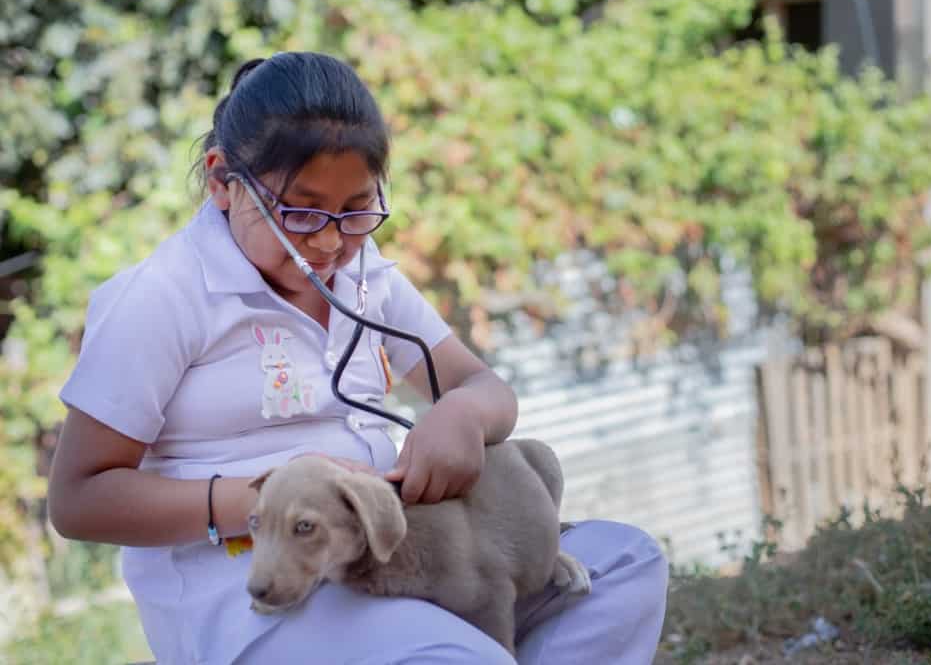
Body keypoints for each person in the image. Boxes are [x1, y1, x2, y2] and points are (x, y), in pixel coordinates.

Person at [47, 51, 668, 664]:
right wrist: (280, 503)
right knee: (450, 658)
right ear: (221, 182)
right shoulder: (161, 298)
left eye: (354, 212)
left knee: (624, 565)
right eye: (299, 211)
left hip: (392, 556)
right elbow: (78, 500)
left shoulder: (365, 276)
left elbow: (482, 386)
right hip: (250, 590)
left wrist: (463, 418)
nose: (328, 241)